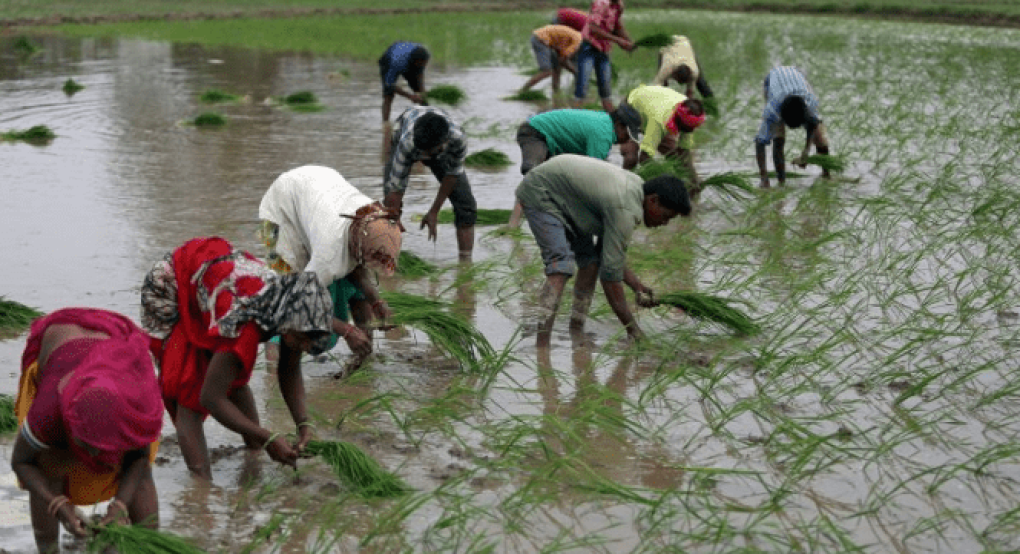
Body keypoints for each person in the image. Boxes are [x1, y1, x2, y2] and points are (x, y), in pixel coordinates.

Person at [140, 236, 337, 480]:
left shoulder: (291, 308)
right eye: (302, 339)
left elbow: (289, 369)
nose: (303, 346)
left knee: (229, 374)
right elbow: (211, 398)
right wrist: (268, 437)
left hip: (214, 280)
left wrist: (304, 425)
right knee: (190, 391)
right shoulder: (246, 325)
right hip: (171, 288)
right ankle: (201, 487)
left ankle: (252, 455)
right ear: (289, 323)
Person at [11, 308, 163, 553]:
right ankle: (47, 551)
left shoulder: (134, 409)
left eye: (101, 449)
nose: (93, 458)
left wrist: (120, 505)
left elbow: (140, 457)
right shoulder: (48, 411)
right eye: (86, 446)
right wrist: (56, 502)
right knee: (48, 466)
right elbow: (21, 462)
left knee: (140, 476)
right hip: (61, 344)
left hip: (115, 341)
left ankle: (149, 548)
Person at [515, 154, 692, 346]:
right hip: (542, 192)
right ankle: (542, 346)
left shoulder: (636, 192)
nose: (664, 223)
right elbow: (610, 277)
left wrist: (636, 286)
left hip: (570, 198)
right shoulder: (625, 209)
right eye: (665, 216)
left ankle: (576, 329)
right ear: (653, 200)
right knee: (560, 266)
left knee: (590, 264)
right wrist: (634, 331)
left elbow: (609, 256)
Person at [259, 165, 402, 376]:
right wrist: (347, 330)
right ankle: (274, 375)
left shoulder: (372, 218)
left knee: (355, 288)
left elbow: (358, 268)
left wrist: (376, 301)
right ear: (356, 247)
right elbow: (300, 301)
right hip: (280, 211)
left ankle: (361, 365)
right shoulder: (329, 254)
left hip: (316, 188)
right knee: (284, 298)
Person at [509, 105, 643, 227]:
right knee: (532, 179)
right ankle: (513, 225)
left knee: (551, 184)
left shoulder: (604, 123)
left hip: (553, 142)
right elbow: (592, 176)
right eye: (628, 133)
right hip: (535, 132)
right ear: (619, 126)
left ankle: (550, 222)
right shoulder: (603, 134)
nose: (627, 139)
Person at [383, 106, 477, 260]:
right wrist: (394, 217)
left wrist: (434, 211)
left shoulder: (458, 140)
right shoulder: (408, 142)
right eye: (422, 154)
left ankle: (466, 263)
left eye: (429, 154)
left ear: (446, 142)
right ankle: (389, 259)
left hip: (439, 149)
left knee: (466, 206)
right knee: (388, 210)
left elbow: (452, 175)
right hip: (404, 132)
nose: (424, 160)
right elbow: (395, 188)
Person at [755, 65, 831, 188]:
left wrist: (805, 154)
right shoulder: (772, 110)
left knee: (820, 136)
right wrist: (764, 178)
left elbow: (813, 125)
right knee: (778, 138)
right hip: (772, 81)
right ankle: (781, 182)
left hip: (797, 77)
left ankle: (826, 174)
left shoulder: (810, 103)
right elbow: (760, 143)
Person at [622, 84, 706, 189]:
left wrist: (693, 179)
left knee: (674, 156)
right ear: (678, 121)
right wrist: (664, 177)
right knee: (631, 157)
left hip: (654, 103)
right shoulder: (659, 121)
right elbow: (644, 158)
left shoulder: (689, 113)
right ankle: (625, 186)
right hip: (631, 106)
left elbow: (684, 153)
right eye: (684, 129)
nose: (687, 132)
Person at [575, 0, 634, 112]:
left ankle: (612, 122)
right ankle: (573, 119)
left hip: (604, 49)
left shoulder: (618, 5)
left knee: (606, 90)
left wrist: (629, 41)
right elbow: (594, 28)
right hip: (589, 47)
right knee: (582, 87)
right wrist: (619, 41)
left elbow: (617, 26)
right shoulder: (600, 3)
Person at [519, 25, 582, 96]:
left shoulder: (576, 38)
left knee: (557, 68)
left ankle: (556, 93)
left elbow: (561, 59)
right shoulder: (578, 43)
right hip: (540, 39)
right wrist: (576, 72)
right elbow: (563, 59)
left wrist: (575, 72)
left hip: (544, 39)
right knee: (547, 71)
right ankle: (523, 90)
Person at [378, 41, 430, 122]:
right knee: (388, 95)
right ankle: (386, 125)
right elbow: (390, 85)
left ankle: (428, 118)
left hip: (408, 58)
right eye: (421, 64)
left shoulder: (422, 57)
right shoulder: (397, 62)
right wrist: (410, 96)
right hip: (388, 62)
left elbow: (420, 73)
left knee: (422, 96)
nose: (423, 66)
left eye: (424, 64)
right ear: (415, 61)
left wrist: (422, 91)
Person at [652, 35, 714, 101]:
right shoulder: (666, 69)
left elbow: (689, 94)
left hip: (684, 43)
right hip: (668, 44)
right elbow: (655, 87)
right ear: (674, 75)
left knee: (700, 81)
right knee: (661, 86)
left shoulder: (694, 72)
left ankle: (711, 103)